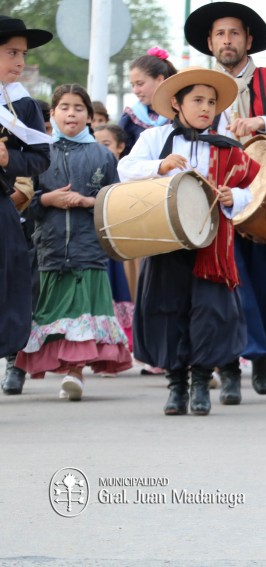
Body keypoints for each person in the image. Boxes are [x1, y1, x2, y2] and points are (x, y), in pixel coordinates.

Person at [117, 67, 260, 416]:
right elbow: (124, 169)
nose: (206, 107)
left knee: (210, 314)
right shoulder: (155, 139)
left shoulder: (227, 147)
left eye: (211, 102)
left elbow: (253, 187)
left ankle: (200, 385)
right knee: (169, 312)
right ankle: (176, 386)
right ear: (177, 103)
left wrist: (234, 199)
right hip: (166, 241)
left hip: (211, 245)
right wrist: (160, 165)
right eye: (197, 100)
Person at [185, 1, 266, 401]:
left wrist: (261, 122)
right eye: (220, 34)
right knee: (228, 284)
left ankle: (263, 356)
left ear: (248, 39)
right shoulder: (197, 83)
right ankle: (230, 366)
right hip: (215, 196)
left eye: (234, 33)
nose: (227, 40)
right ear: (209, 41)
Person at [15, 84, 133, 399]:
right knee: (51, 316)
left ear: (89, 117)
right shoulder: (40, 155)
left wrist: (90, 202)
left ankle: (75, 373)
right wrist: (49, 199)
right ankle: (22, 368)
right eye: (64, 107)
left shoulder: (102, 155)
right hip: (49, 250)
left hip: (89, 252)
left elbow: (115, 200)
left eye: (79, 108)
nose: (72, 113)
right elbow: (27, 201)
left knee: (83, 315)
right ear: (52, 115)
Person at [0, 16, 52, 393]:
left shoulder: (22, 105)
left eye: (23, 53)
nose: (20, 62)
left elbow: (39, 159)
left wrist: (7, 161)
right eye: (11, 52)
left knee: (6, 287)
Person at [93, 124, 135, 353]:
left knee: (124, 291)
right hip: (98, 243)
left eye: (106, 145)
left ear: (120, 147)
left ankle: (124, 344)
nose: (100, 150)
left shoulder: (128, 173)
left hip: (123, 242)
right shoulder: (92, 170)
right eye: (96, 144)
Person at [118, 47, 177, 156]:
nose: (135, 90)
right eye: (132, 85)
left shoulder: (180, 115)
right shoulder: (131, 118)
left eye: (140, 84)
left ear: (160, 80)